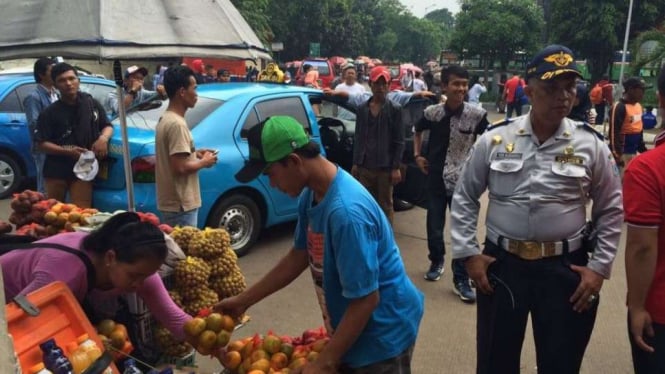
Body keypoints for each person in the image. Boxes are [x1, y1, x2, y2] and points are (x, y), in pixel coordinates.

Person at [450, 44, 623, 373]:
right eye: (551, 88)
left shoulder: (591, 145)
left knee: (561, 362)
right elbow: (464, 196)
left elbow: (611, 209)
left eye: (570, 88)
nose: (564, 97)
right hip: (502, 266)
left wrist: (599, 268)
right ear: (528, 90)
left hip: (565, 270)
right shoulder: (495, 140)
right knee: (495, 360)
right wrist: (468, 253)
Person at [222, 115, 424, 373]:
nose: (272, 184)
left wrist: (326, 362)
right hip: (354, 326)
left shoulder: (346, 214)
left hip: (382, 334)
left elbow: (366, 300)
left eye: (271, 174)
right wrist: (244, 300)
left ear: (294, 161)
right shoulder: (312, 194)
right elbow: (299, 255)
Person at [0, 212, 192, 343]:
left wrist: (209, 340)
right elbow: (14, 322)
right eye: (134, 276)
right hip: (11, 303)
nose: (140, 284)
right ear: (110, 257)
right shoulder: (63, 274)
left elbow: (173, 318)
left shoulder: (138, 267)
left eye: (147, 276)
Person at [413, 65, 489, 303]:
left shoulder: (476, 115)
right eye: (456, 84)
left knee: (462, 233)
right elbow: (417, 129)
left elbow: (488, 142)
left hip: (463, 184)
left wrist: (481, 167)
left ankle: (461, 278)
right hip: (435, 179)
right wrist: (418, 155)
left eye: (464, 84)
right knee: (434, 228)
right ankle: (436, 261)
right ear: (444, 86)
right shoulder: (433, 113)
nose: (461, 89)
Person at [326, 66, 434, 224]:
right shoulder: (362, 108)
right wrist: (356, 163)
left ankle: (385, 237)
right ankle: (368, 233)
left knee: (385, 206)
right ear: (370, 84)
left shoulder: (395, 109)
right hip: (365, 167)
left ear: (389, 86)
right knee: (364, 204)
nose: (381, 88)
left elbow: (399, 140)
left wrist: (396, 167)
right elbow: (360, 136)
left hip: (385, 168)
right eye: (377, 84)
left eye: (384, 84)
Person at [623, 64, 665, 374]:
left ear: (660, 98)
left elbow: (642, 247)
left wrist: (637, 306)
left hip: (659, 308)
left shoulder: (649, 169)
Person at [34, 63, 113, 208]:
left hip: (84, 167)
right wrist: (66, 151)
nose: (68, 83)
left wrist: (103, 138)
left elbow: (107, 126)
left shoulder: (91, 104)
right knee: (53, 213)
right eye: (62, 80)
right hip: (56, 170)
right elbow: (41, 144)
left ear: (78, 80)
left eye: (72, 78)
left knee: (82, 213)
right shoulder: (49, 113)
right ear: (55, 85)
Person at [155, 66, 217, 227]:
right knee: (183, 251)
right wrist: (205, 162)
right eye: (194, 88)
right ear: (182, 91)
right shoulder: (177, 124)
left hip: (173, 202)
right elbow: (180, 167)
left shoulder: (167, 118)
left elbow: (177, 157)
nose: (196, 94)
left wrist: (195, 154)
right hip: (180, 204)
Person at [23, 57, 57, 194]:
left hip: (57, 146)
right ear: (41, 74)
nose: (55, 74)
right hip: (44, 147)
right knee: (45, 183)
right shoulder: (34, 97)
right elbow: (34, 124)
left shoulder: (56, 93)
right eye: (51, 71)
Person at [609, 76, 646, 170]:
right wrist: (617, 156)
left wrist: (644, 151)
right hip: (622, 154)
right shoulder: (619, 107)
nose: (643, 94)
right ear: (631, 90)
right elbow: (613, 133)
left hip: (634, 153)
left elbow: (639, 129)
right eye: (641, 90)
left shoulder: (638, 106)